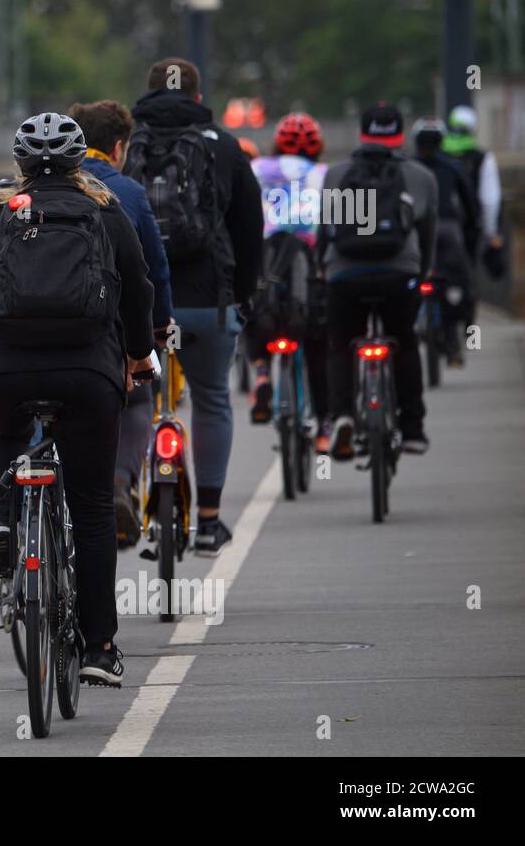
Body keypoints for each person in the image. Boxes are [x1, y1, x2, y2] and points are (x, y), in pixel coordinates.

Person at [0, 112, 155, 685]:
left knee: (2, 427)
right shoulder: (105, 210)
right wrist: (138, 356)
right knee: (94, 506)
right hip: (87, 374)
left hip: (3, 372)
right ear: (80, 163)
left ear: (20, 164)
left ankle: (2, 518)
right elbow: (139, 289)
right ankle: (98, 648)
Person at [124, 58, 264, 556]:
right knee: (211, 400)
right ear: (199, 98)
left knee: (134, 397)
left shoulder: (128, 146)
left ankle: (128, 492)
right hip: (208, 301)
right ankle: (207, 521)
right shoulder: (223, 146)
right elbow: (250, 228)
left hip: (142, 308)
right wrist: (243, 294)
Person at [68, 100, 175, 546]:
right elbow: (153, 270)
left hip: (40, 338)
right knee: (137, 400)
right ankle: (121, 482)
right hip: (108, 339)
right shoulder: (127, 193)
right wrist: (158, 329)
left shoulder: (38, 188)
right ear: (118, 148)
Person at [320, 103, 438, 458]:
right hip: (398, 274)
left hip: (344, 274)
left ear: (362, 133)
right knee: (403, 340)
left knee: (341, 343)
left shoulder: (335, 174)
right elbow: (427, 232)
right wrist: (423, 272)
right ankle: (413, 429)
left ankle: (341, 416)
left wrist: (321, 271)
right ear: (401, 136)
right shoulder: (420, 177)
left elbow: (326, 230)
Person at [246, 112, 332, 452]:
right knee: (317, 341)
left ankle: (263, 372)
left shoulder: (258, 170)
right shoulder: (323, 175)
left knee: (252, 306)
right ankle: (324, 426)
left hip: (266, 257)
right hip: (307, 262)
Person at [412, 118, 479, 367]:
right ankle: (456, 339)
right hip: (448, 229)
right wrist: (473, 229)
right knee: (459, 284)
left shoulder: (409, 166)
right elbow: (471, 204)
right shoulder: (452, 167)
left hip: (417, 229)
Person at [444, 104, 506, 280]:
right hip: (468, 228)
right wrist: (491, 234)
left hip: (438, 225)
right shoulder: (482, 158)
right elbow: (490, 200)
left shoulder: (439, 155)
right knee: (465, 274)